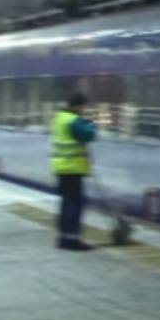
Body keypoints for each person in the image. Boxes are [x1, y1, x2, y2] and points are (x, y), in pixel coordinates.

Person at [51, 92, 99, 251]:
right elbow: (89, 134)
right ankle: (72, 240)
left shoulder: (59, 117)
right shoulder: (73, 120)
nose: (84, 110)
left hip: (61, 167)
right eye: (84, 107)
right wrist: (92, 123)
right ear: (79, 106)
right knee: (75, 204)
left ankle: (63, 237)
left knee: (66, 203)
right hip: (72, 168)